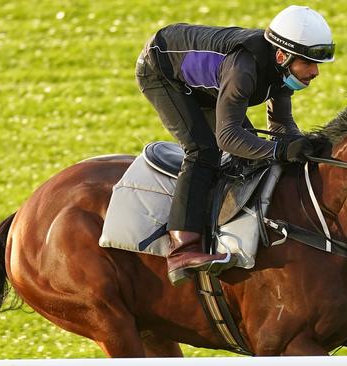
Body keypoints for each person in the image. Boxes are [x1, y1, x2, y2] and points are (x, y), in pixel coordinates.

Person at [135, 5, 335, 286]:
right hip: (162, 73)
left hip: (207, 84)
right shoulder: (244, 69)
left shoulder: (281, 72)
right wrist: (279, 150)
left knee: (250, 156)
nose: (315, 72)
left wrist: (303, 148)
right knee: (203, 151)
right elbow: (226, 137)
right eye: (309, 62)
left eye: (318, 64)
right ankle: (183, 250)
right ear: (282, 55)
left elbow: (281, 125)